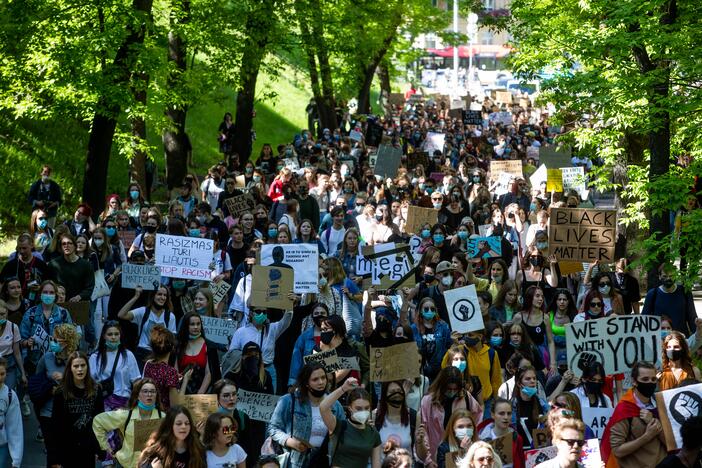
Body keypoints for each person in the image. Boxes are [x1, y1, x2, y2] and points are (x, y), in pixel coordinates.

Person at [267, 363, 346, 468]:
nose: (321, 382)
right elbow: (273, 428)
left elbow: (344, 434)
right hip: (296, 461)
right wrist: (289, 441)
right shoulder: (289, 401)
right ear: (306, 383)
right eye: (315, 379)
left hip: (326, 461)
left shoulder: (335, 405)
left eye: (323, 377)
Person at [601, 361, 667, 468]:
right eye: (645, 379)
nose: (650, 383)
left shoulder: (661, 404)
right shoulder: (625, 409)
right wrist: (647, 436)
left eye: (653, 379)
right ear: (634, 381)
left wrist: (653, 422)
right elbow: (617, 451)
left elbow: (671, 444)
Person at [33, 323, 80, 465]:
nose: (52, 342)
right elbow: (37, 381)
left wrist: (66, 378)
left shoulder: (77, 360)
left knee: (67, 453)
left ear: (66, 342)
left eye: (56, 339)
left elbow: (84, 384)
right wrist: (48, 389)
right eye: (53, 338)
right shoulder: (46, 357)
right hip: (48, 412)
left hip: (69, 413)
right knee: (52, 454)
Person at [93, 378, 166, 468]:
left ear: (156, 395)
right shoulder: (126, 415)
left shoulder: (163, 417)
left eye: (152, 391)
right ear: (137, 395)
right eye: (145, 391)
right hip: (126, 464)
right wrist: (106, 448)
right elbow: (98, 422)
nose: (149, 394)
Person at [418, 366, 483, 467]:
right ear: (441, 386)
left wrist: (473, 440)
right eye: (449, 389)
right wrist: (428, 460)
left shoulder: (466, 397)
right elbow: (424, 432)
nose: (452, 392)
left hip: (462, 453)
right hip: (435, 456)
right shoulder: (428, 402)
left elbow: (477, 418)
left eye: (455, 389)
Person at [50, 351, 105, 467]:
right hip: (68, 446)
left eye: (83, 365)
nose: (80, 369)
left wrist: (100, 448)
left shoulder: (96, 390)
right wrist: (54, 457)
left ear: (87, 367)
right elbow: (56, 425)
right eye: (76, 366)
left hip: (88, 446)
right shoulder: (61, 392)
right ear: (70, 368)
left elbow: (100, 420)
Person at [228, 304, 294, 393]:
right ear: (251, 313)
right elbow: (232, 353)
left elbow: (286, 321)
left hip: (268, 370)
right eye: (258, 311)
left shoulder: (272, 329)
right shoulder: (241, 332)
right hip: (248, 372)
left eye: (264, 312)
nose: (262, 314)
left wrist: (289, 304)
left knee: (268, 401)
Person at [320, 376, 382, 468]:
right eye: (358, 408)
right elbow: (323, 407)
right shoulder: (339, 426)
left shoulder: (373, 433)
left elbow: (376, 465)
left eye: (366, 408)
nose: (363, 411)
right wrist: (343, 389)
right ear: (350, 408)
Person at [117, 285, 177, 366]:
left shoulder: (170, 316)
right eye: (159, 294)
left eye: (165, 295)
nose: (162, 297)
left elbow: (171, 342)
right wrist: (136, 296)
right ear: (153, 295)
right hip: (142, 353)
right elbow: (121, 314)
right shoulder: (143, 311)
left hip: (161, 356)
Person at [138, 405, 207, 468]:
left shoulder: (198, 450)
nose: (184, 427)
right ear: (170, 426)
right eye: (178, 423)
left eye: (187, 423)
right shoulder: (154, 452)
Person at [642, 263, 697, 335]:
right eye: (665, 276)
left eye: (671, 276)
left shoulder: (685, 292)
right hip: (660, 340)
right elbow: (644, 319)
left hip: (681, 340)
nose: (668, 278)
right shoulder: (653, 294)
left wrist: (697, 335)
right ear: (659, 276)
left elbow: (692, 317)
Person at [373, 381, 417, 462]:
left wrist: (421, 441)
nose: (397, 395)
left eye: (399, 391)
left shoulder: (413, 416)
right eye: (392, 392)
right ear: (384, 395)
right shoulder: (375, 416)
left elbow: (420, 454)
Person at [476, 398, 526, 468]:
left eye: (509, 413)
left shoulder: (517, 438)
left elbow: (521, 464)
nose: (506, 417)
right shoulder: (480, 440)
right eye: (501, 413)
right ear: (492, 415)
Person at [511, 366, 549, 448]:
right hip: (521, 452)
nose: (532, 381)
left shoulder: (542, 403)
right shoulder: (512, 406)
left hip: (540, 452)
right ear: (519, 384)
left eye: (534, 378)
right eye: (528, 379)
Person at [175, 312, 212, 394]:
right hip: (180, 390)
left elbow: (208, 373)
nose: (196, 327)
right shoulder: (178, 345)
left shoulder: (207, 345)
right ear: (186, 326)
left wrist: (200, 393)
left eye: (198, 324)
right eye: (192, 324)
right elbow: (175, 372)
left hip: (201, 391)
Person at [0, 357, 23, 468]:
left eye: (2, 374)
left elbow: (14, 427)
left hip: (1, 446)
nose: (0, 378)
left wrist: (16, 460)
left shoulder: (10, 395)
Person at [0, 301, 26, 393]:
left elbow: (17, 353)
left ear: (6, 312)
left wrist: (23, 373)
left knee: (9, 393)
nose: (0, 317)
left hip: (9, 365)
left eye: (2, 314)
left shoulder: (13, 327)